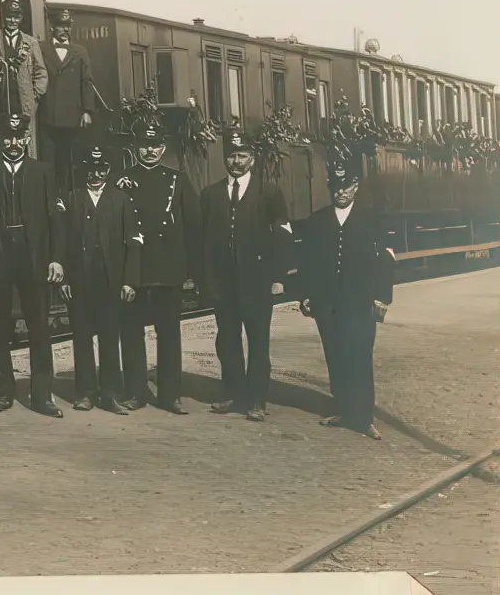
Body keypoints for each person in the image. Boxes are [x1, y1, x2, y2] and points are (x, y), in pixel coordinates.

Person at [295, 155, 396, 440]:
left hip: (360, 302)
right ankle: (343, 409)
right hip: (327, 303)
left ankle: (363, 417)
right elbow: (307, 262)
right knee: (335, 355)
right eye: (335, 186)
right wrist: (304, 295)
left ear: (355, 186)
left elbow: (386, 261)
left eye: (346, 186)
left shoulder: (371, 220)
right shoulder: (318, 220)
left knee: (360, 356)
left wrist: (382, 297)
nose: (340, 192)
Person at [197, 124, 294, 422]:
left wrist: (278, 277)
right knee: (226, 339)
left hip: (256, 281)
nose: (236, 161)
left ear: (252, 157)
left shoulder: (268, 192)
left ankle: (256, 400)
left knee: (258, 341)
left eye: (242, 155)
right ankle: (233, 394)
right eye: (231, 156)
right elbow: (204, 241)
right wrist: (205, 279)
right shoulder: (211, 194)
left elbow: (282, 235)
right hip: (224, 283)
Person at [0, 111, 67, 416]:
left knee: (39, 325)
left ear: (27, 138)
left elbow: (55, 219)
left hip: (34, 256)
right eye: (8, 138)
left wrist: (55, 258)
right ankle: (3, 391)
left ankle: (42, 395)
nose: (14, 143)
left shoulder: (42, 171)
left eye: (19, 137)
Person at [116, 115, 202, 413]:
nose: (150, 151)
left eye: (155, 146)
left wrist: (192, 268)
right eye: (144, 146)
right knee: (130, 332)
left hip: (167, 267)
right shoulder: (122, 178)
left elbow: (193, 225)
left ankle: (170, 394)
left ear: (163, 149)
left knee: (169, 332)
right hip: (135, 268)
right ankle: (136, 392)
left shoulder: (177, 179)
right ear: (135, 147)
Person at [60, 142, 142, 414]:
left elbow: (132, 242)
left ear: (108, 169)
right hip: (81, 280)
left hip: (111, 280)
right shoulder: (73, 198)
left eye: (101, 169)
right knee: (81, 337)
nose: (96, 175)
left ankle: (109, 393)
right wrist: (64, 280)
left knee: (110, 337)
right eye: (91, 169)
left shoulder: (120, 200)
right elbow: (63, 242)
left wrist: (129, 280)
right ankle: (85, 392)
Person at [39, 8, 96, 190]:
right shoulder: (41, 48)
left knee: (70, 158)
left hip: (73, 115)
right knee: (48, 157)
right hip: (47, 114)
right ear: (52, 28)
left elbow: (87, 82)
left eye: (68, 26)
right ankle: (50, 195)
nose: (65, 30)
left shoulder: (80, 51)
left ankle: (70, 196)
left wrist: (87, 111)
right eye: (61, 26)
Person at [0, 0, 48, 153]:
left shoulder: (31, 43)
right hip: (1, 99)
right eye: (9, 16)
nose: (12, 20)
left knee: (26, 138)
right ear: (3, 17)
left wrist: (35, 96)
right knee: (2, 137)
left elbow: (41, 72)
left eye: (16, 16)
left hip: (24, 101)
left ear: (21, 19)